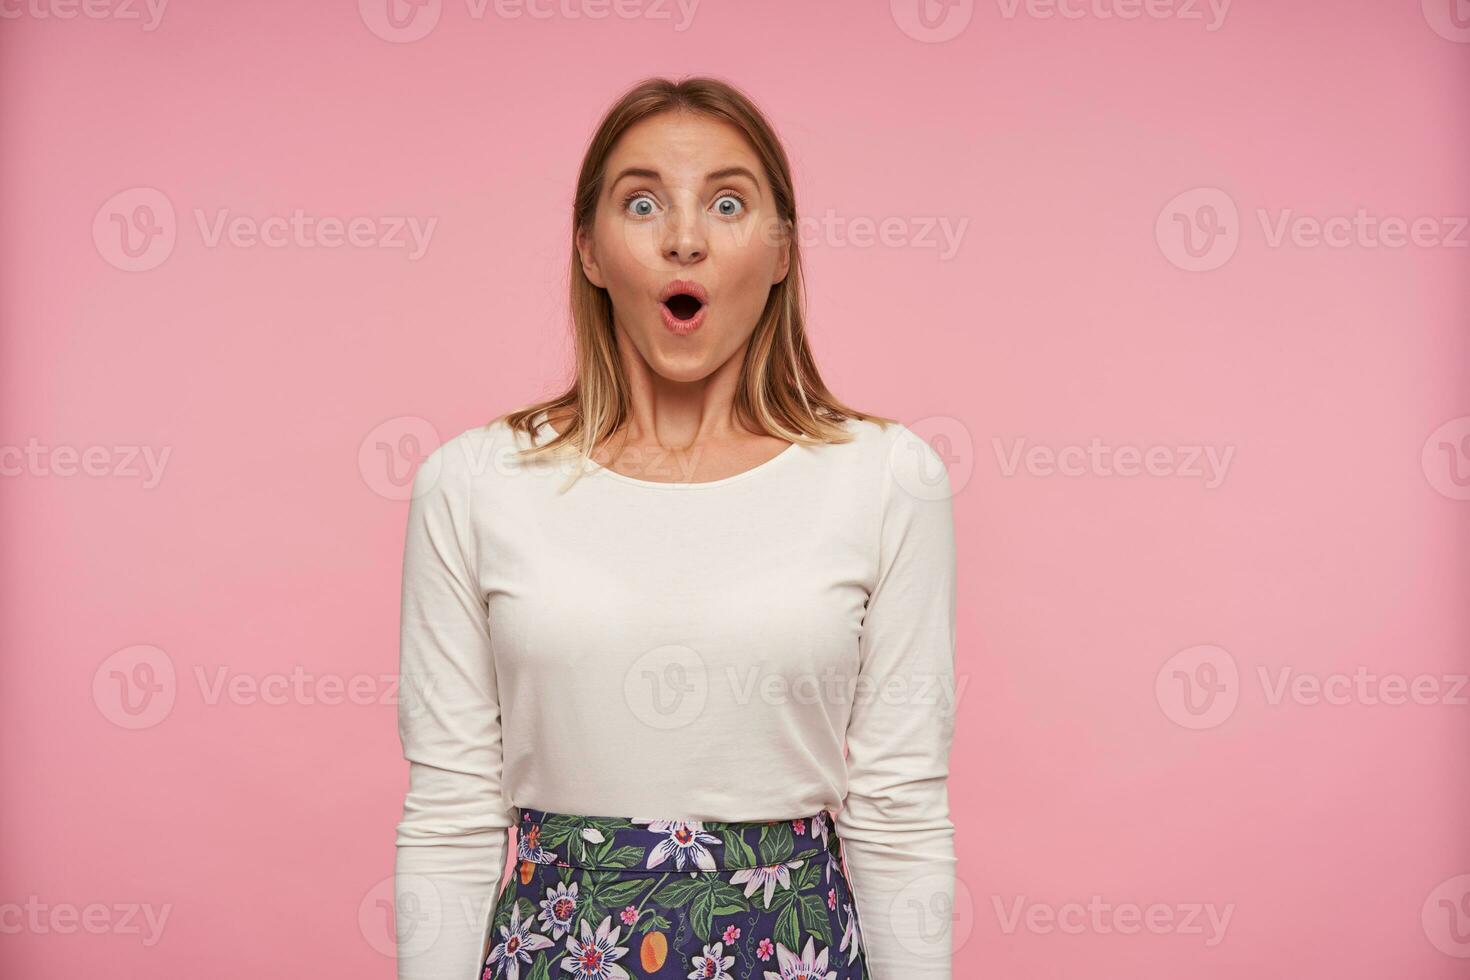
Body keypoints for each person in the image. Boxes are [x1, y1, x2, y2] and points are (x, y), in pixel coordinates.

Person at [394, 75, 958, 980]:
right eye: (642, 202)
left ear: (781, 251)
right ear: (589, 248)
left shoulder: (890, 480)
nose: (684, 237)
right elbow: (452, 814)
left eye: (728, 202)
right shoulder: (473, 482)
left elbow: (899, 813)